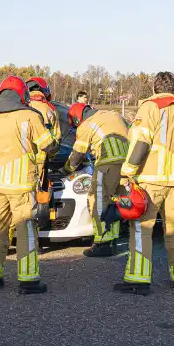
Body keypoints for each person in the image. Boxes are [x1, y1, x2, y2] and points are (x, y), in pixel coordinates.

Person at [118, 72, 174, 295]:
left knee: (142, 228)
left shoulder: (150, 107)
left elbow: (141, 142)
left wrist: (126, 173)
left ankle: (139, 280)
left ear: (154, 87)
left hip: (150, 181)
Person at [0, 76, 58, 295]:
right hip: (21, 185)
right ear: (22, 95)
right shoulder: (29, 115)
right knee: (26, 231)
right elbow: (48, 145)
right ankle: (28, 280)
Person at [63, 102, 130, 257]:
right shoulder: (113, 114)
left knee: (97, 200)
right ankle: (113, 237)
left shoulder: (86, 125)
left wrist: (66, 169)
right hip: (127, 165)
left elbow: (77, 154)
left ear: (76, 118)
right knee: (117, 200)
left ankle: (102, 243)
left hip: (107, 164)